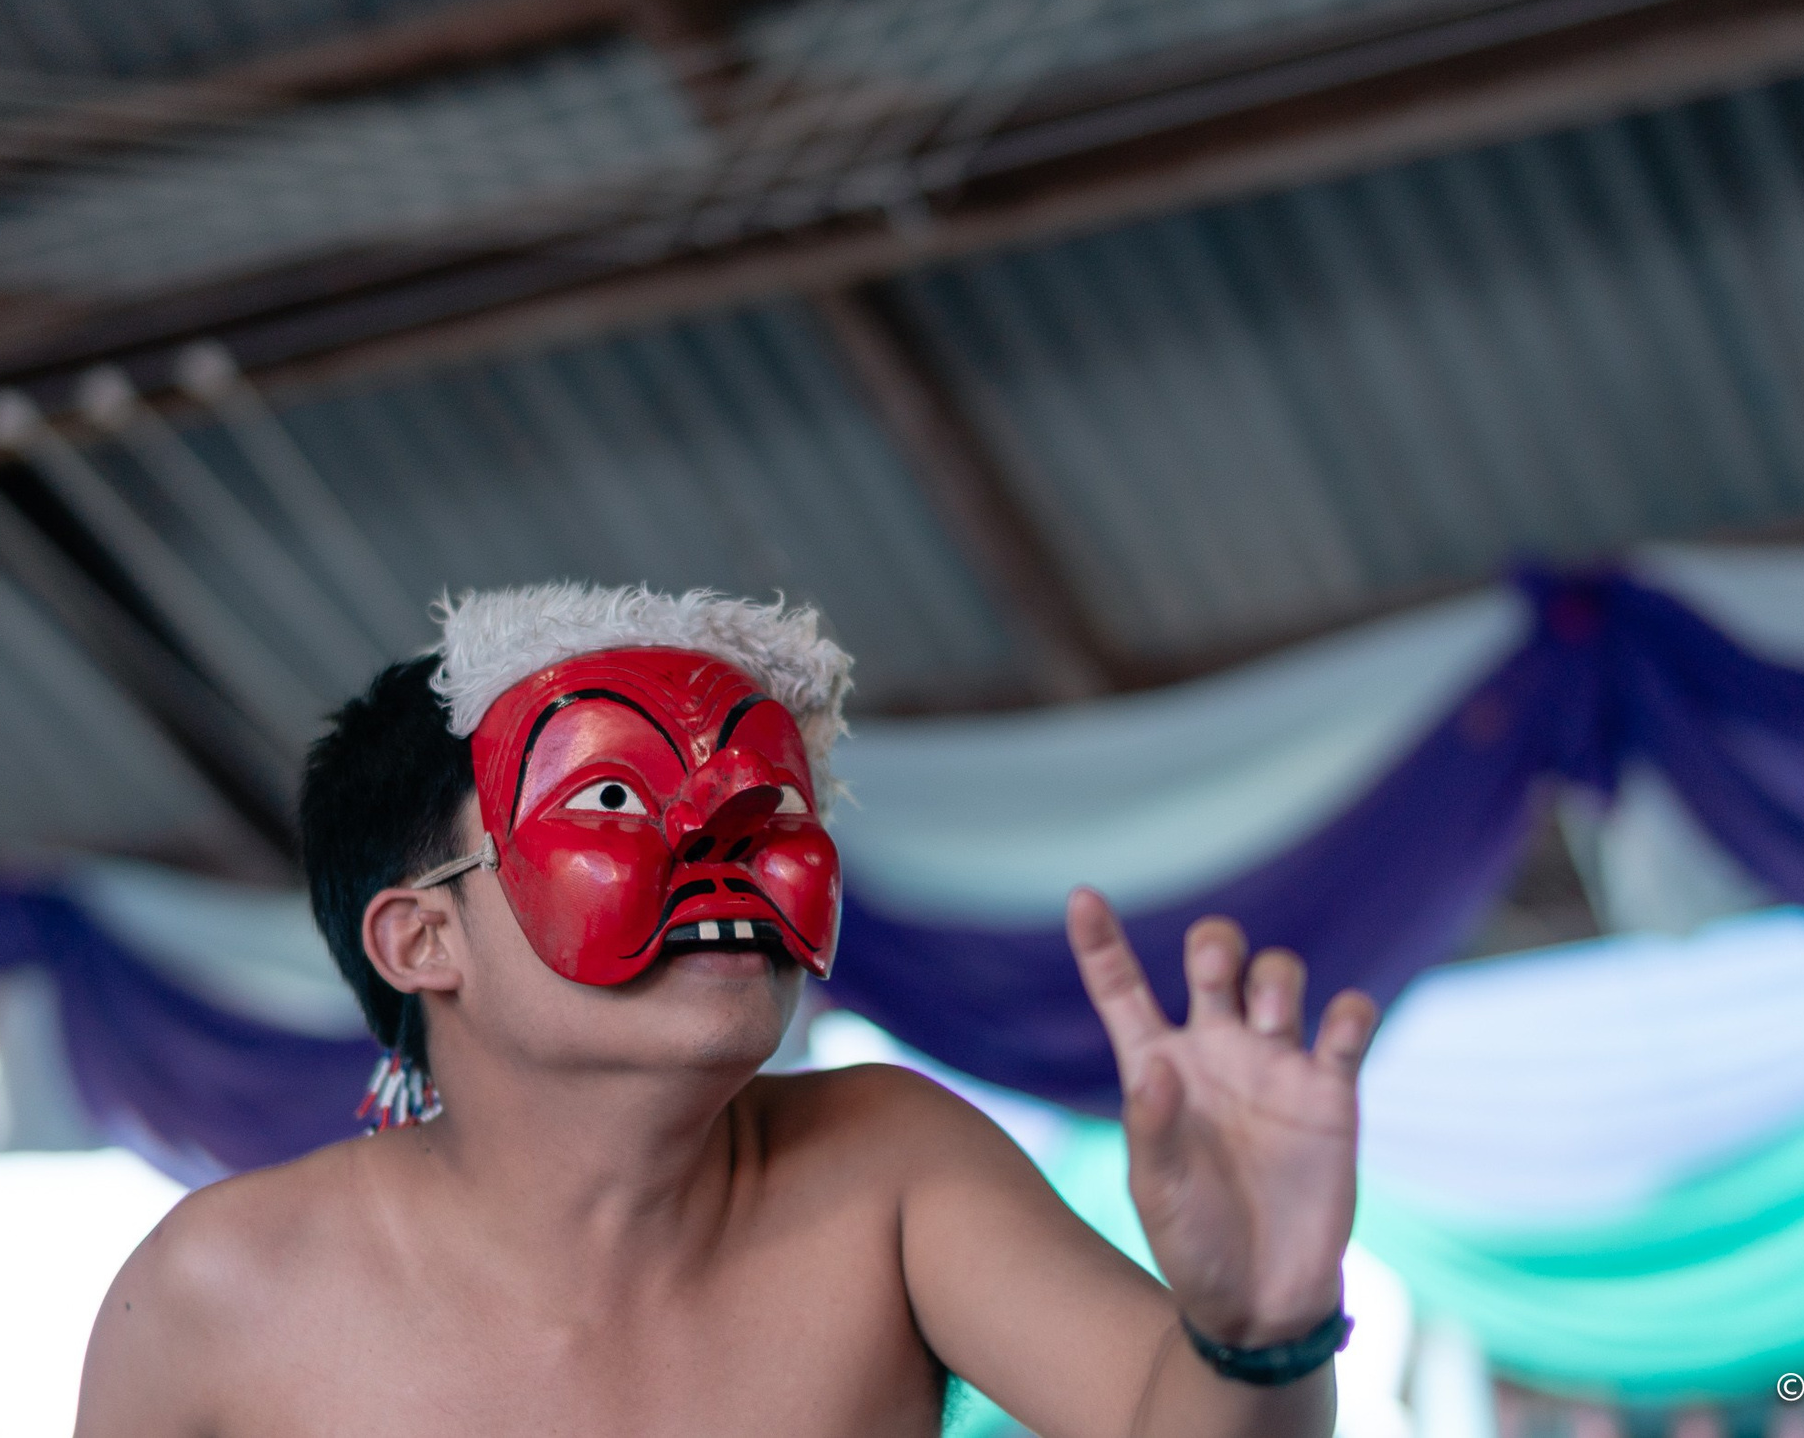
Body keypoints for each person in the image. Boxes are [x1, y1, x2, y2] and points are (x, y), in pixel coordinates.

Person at [77, 585, 1379, 1438]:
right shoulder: (211, 1298)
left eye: (771, 805)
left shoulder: (890, 1167)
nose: (736, 847)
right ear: (422, 938)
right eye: (611, 801)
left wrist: (1259, 1333)